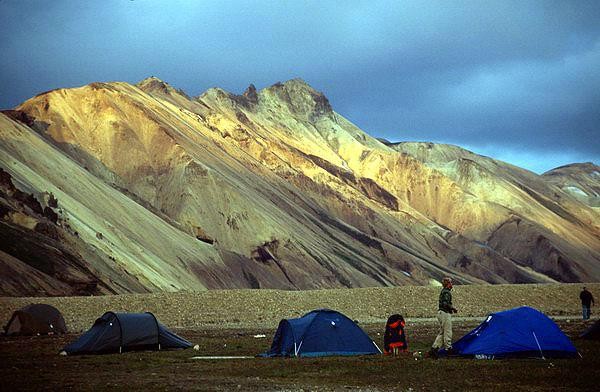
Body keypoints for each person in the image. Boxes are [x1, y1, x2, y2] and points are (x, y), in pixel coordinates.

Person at [429, 277, 457, 358]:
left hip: (441, 313)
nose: (452, 284)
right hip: (445, 313)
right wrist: (452, 308)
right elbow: (445, 303)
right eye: (451, 283)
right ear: (448, 284)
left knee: (442, 332)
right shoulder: (447, 293)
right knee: (448, 331)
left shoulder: (444, 291)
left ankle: (434, 348)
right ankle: (448, 349)